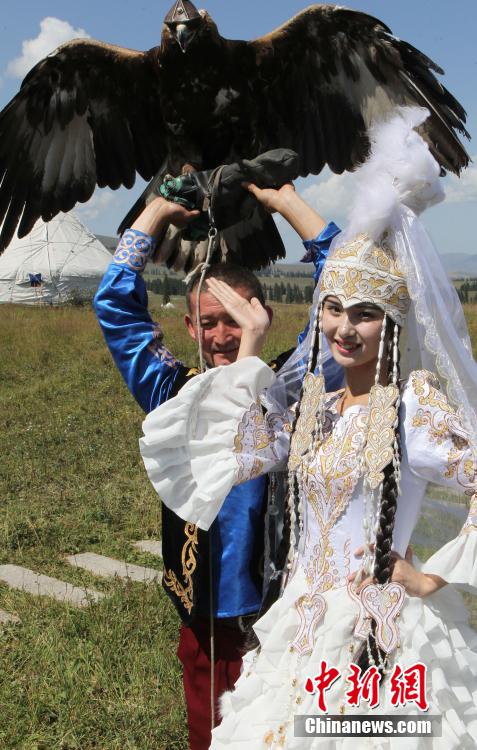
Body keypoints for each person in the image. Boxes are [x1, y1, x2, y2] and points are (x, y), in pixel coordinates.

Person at [140, 108, 477, 749]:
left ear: (395, 324)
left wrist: (428, 576)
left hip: (376, 635)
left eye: (366, 315)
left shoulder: (413, 411)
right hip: (299, 620)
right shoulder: (311, 410)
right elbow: (231, 448)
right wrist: (251, 348)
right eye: (333, 309)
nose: (345, 329)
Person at [94, 188, 341, 750]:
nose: (223, 336)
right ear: (188, 327)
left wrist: (288, 204)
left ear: (264, 316)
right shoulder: (170, 392)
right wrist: (154, 212)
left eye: (236, 320)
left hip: (284, 610)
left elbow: (346, 292)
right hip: (204, 612)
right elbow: (114, 307)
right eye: (209, 322)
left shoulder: (290, 386)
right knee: (210, 737)